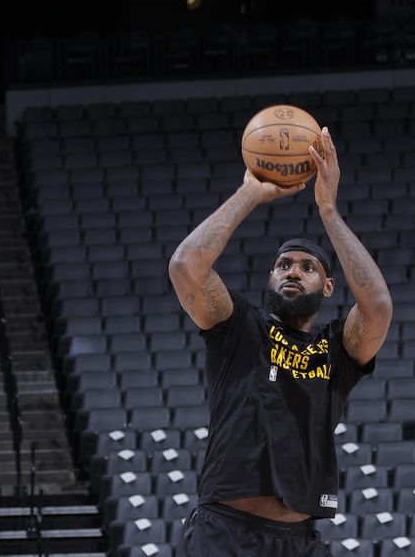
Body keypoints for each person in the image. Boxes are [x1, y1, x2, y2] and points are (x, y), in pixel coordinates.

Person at [168, 126, 393, 556]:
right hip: (225, 532)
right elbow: (185, 266)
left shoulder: (337, 351)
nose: (292, 271)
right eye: (283, 264)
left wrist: (328, 211)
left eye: (308, 267)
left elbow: (378, 306)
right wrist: (249, 193)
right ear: (269, 277)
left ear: (328, 287)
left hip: (299, 541)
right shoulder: (240, 328)